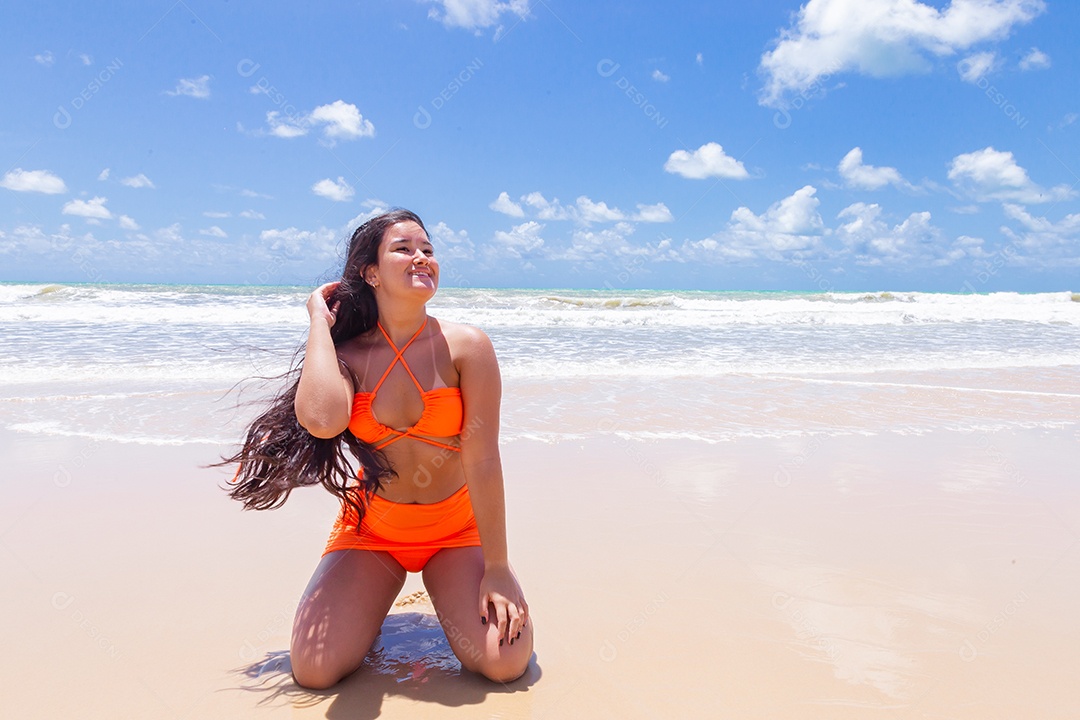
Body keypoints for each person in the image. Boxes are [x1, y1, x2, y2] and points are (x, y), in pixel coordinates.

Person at [224, 209, 532, 689]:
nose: (421, 258)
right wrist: (319, 325)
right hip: (373, 531)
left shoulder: (467, 347)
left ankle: (447, 592)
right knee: (314, 671)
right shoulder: (348, 356)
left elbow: (484, 459)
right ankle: (369, 609)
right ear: (371, 272)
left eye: (428, 250)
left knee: (504, 662)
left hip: (456, 529)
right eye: (404, 249)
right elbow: (323, 421)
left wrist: (498, 568)